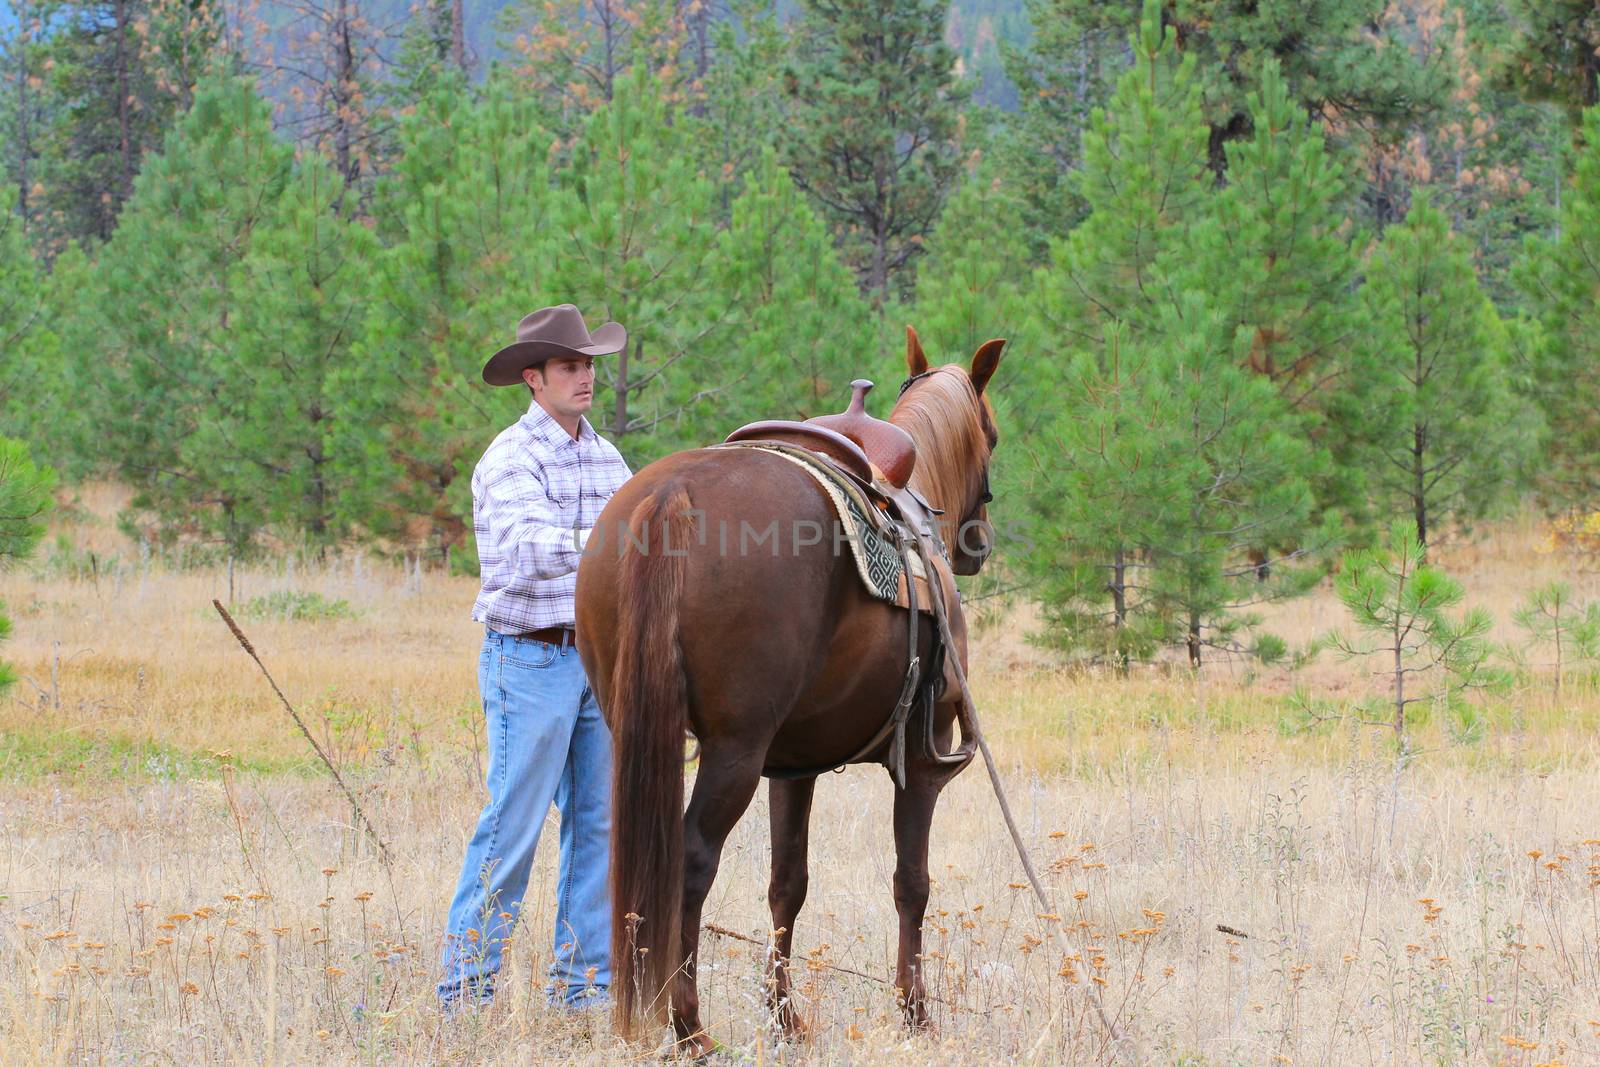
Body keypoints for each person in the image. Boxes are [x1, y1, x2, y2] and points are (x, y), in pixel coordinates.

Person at [438, 304, 632, 1011]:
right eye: (569, 367)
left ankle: (584, 991)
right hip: (529, 659)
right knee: (512, 826)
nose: (584, 377)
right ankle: (465, 992)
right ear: (533, 378)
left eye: (587, 365)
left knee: (599, 825)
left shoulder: (606, 456)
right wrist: (613, 539)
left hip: (599, 659)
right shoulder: (509, 458)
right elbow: (523, 549)